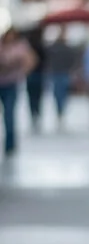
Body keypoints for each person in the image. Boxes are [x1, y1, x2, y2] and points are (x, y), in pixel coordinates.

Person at [0, 27, 36, 157]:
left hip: (11, 83)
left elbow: (31, 60)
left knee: (9, 114)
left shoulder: (21, 46)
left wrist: (21, 72)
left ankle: (10, 143)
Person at [46, 25, 80, 126]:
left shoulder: (59, 48)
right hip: (59, 73)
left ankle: (60, 111)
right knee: (60, 94)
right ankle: (60, 111)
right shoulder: (57, 48)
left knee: (60, 94)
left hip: (62, 73)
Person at [23, 24, 47, 132]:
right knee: (38, 96)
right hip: (38, 74)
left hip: (31, 74)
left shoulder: (28, 46)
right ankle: (37, 114)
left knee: (31, 96)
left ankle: (33, 114)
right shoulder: (40, 46)